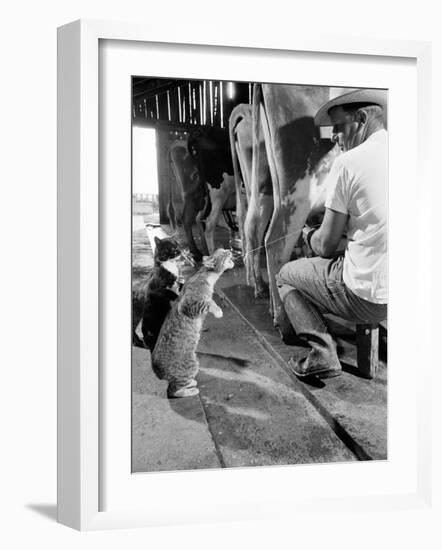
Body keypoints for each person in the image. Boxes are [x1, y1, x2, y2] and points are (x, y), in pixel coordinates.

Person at [275, 89, 388, 379]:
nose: (334, 137)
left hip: (367, 297)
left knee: (287, 275)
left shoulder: (348, 163)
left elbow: (325, 246)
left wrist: (308, 235)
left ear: (361, 119)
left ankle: (321, 352)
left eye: (339, 127)